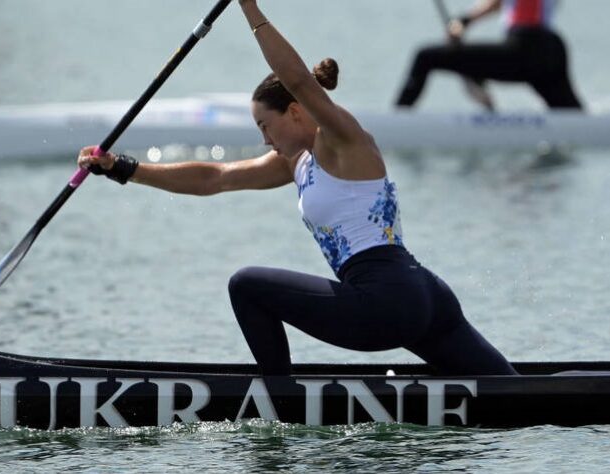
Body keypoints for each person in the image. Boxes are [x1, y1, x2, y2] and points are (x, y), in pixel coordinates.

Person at [78, 0, 518, 377]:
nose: (264, 139)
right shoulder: (297, 163)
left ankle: (280, 402)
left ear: (294, 112)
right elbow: (215, 178)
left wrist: (249, 8)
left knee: (246, 285)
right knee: (517, 395)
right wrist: (122, 168)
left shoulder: (343, 140)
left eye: (265, 126)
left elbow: (300, 80)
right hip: (424, 297)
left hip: (385, 301)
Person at [395, 0, 582, 110]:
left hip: (526, 47)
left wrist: (464, 21)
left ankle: (397, 121)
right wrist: (464, 21)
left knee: (425, 57)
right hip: (552, 50)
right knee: (574, 118)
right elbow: (498, 4)